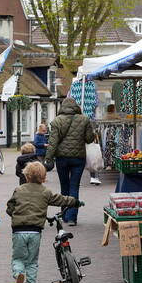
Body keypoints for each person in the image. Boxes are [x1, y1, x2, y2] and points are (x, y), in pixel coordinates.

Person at [6, 160, 82, 283]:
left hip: (18, 230)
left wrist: (14, 214)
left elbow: (10, 207)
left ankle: (18, 275)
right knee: (32, 261)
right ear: (43, 177)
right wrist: (75, 202)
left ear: (26, 176)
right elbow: (60, 200)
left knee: (18, 258)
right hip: (35, 231)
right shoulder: (45, 192)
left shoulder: (19, 190)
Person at [45, 97, 95, 226]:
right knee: (74, 187)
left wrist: (48, 158)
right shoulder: (84, 120)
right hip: (78, 158)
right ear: (76, 106)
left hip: (61, 159)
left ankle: (65, 215)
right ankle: (72, 217)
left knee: (64, 187)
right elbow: (89, 139)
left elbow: (53, 142)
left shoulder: (56, 121)